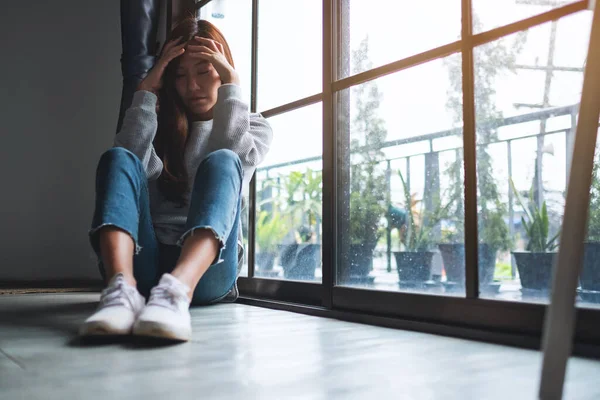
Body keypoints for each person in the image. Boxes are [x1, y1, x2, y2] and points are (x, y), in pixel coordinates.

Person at [79, 16, 273, 342]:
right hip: (146, 263)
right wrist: (144, 91)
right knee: (117, 156)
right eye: (179, 75)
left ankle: (176, 292)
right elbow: (129, 167)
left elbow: (234, 166)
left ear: (223, 69)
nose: (192, 86)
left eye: (204, 71)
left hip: (208, 270)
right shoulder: (157, 124)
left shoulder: (254, 127)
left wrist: (232, 86)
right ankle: (120, 290)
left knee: (223, 160)